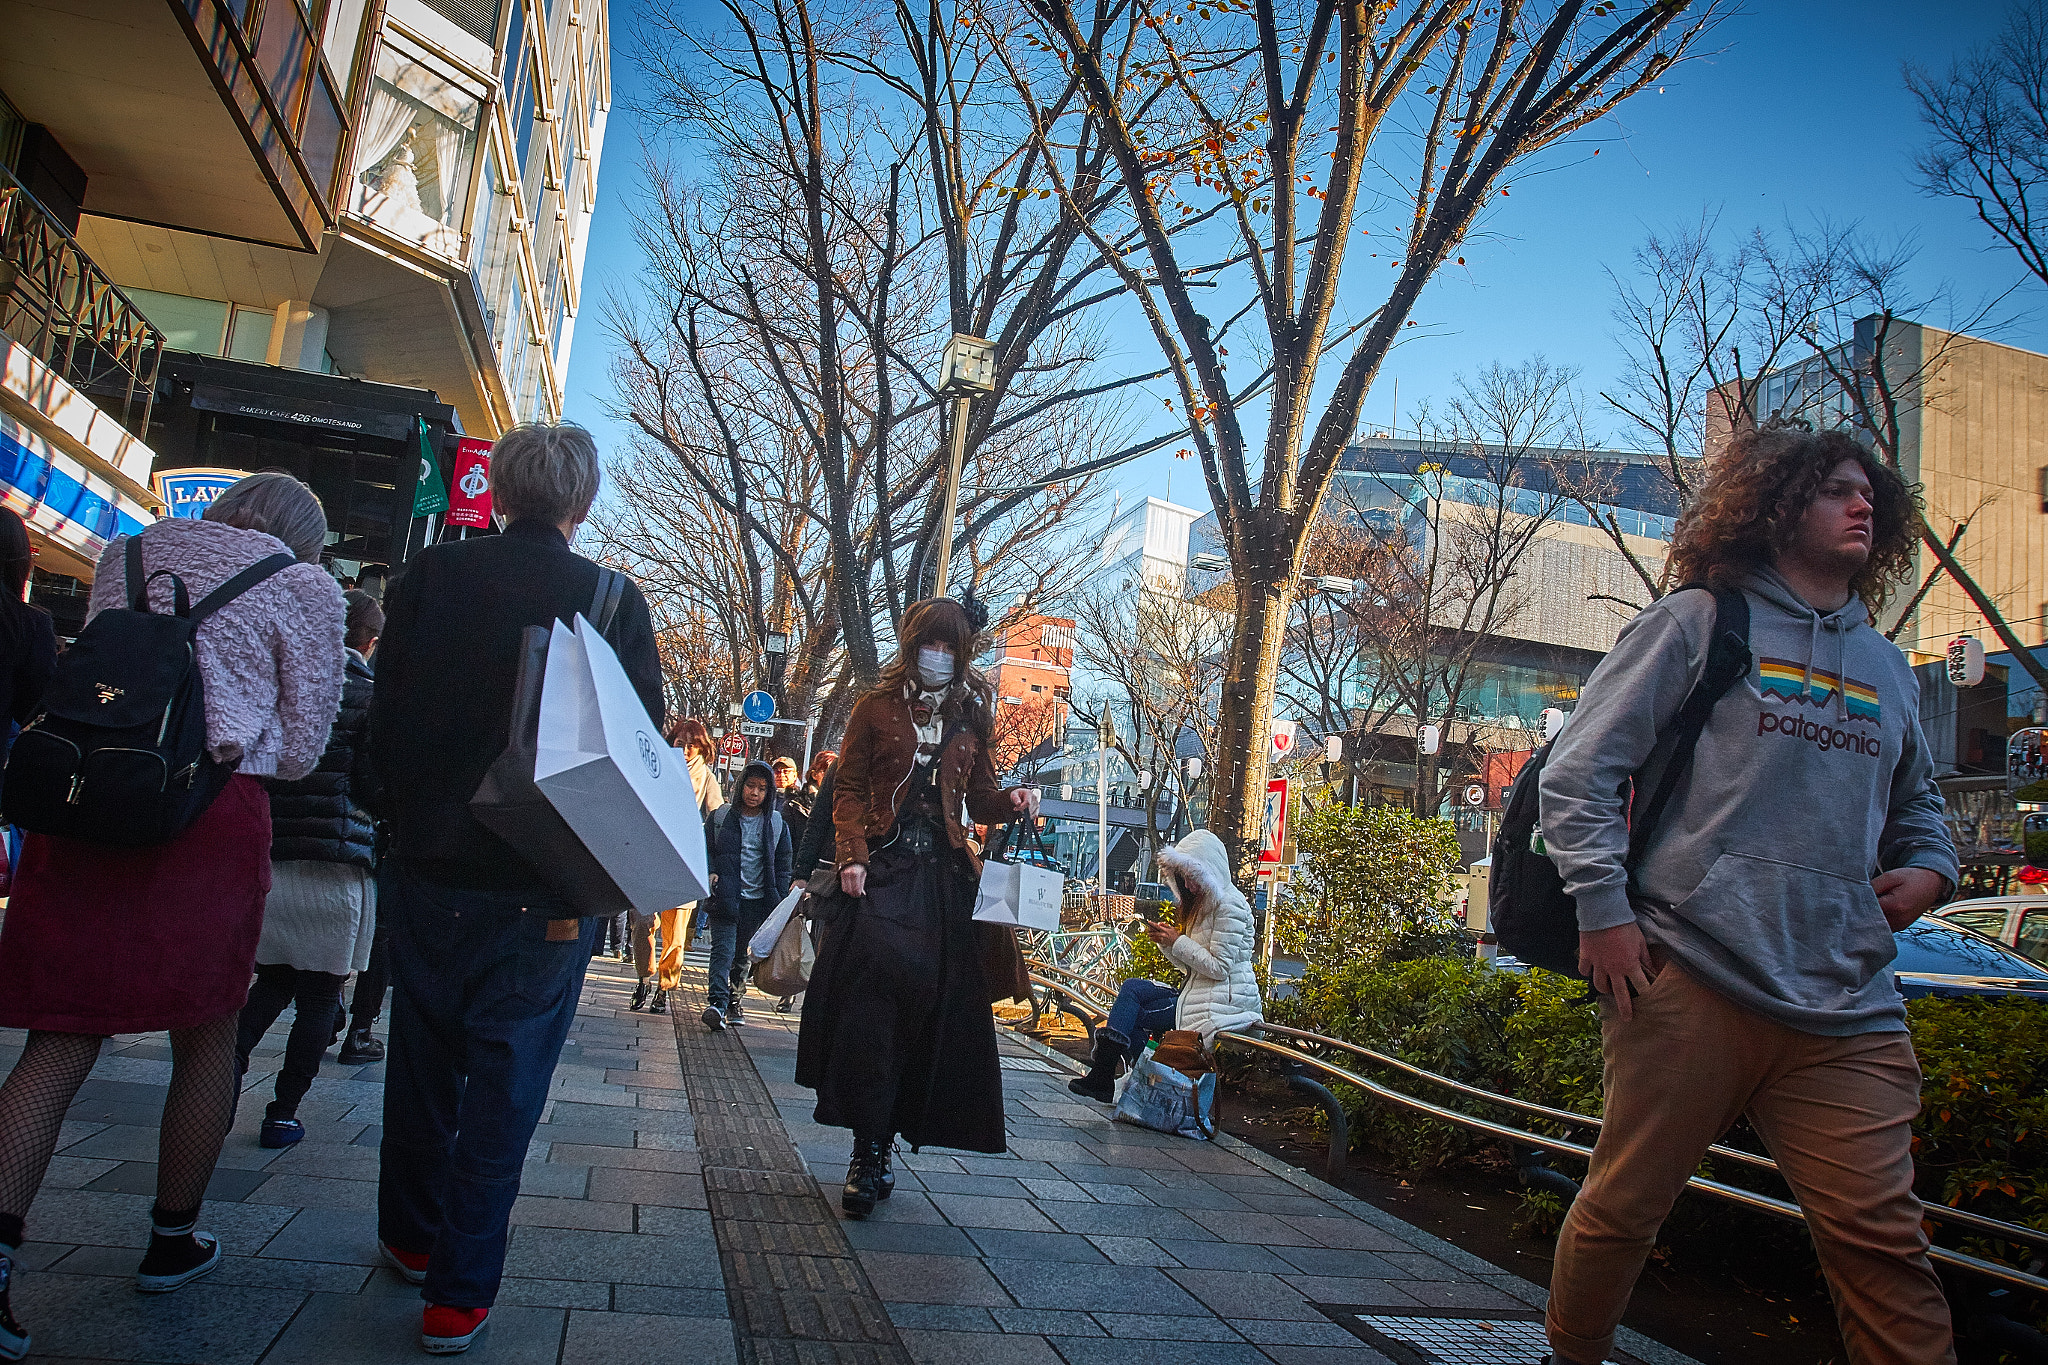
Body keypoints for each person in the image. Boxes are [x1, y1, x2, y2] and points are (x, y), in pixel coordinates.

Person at [1537, 428, 1958, 1365]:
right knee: (1625, 1208)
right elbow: (1579, 773)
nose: (1863, 507)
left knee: (1886, 1240)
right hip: (1691, 972)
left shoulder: (1888, 669)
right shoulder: (1700, 620)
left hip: (1846, 1004)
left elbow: (1921, 806)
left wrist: (1932, 872)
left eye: (1871, 497)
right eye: (1836, 491)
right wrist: (1603, 912)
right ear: (1775, 507)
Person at [0, 474, 343, 1355]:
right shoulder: (302, 586)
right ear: (304, 535)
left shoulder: (128, 552)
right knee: (209, 1031)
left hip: (90, 801)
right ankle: (172, 1236)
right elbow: (301, 748)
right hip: (206, 817)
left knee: (60, 1034)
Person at [370, 422, 664, 1356]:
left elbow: (382, 725)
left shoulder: (428, 580)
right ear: (582, 503)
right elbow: (641, 745)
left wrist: (396, 812)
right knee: (505, 1083)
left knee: (420, 1060)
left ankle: (409, 1236)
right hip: (547, 883)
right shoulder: (611, 600)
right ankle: (458, 1295)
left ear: (495, 490)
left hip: (428, 866)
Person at [795, 598, 1038, 1218]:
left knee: (936, 1013)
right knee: (871, 1006)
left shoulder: (971, 713)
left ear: (962, 654)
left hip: (946, 881)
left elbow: (977, 798)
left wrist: (1010, 800)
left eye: (951, 647)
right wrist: (851, 855)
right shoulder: (872, 708)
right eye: (932, 643)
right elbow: (846, 788)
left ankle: (886, 1140)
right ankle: (867, 1147)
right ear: (913, 644)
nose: (940, 655)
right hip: (882, 873)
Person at [235, 590, 384, 1145]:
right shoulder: (373, 696)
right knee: (323, 993)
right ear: (370, 641)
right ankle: (283, 1113)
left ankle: (219, 1084)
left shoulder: (285, 687)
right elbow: (379, 782)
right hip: (340, 863)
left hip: (275, 854)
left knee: (269, 979)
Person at [1067, 828, 1262, 1102]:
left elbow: (1218, 968)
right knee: (1132, 991)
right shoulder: (1203, 904)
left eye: (1195, 879)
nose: (1190, 887)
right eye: (1184, 879)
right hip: (1196, 993)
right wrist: (1166, 942)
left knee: (1132, 1013)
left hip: (1223, 1004)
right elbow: (1190, 968)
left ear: (1211, 872)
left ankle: (1121, 1075)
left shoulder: (1230, 906)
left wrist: (1178, 940)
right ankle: (1116, 1074)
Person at [630, 717, 720, 1013]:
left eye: (692, 745)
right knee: (642, 922)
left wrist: (712, 859)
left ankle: (665, 988)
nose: (685, 750)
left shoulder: (706, 777)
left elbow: (717, 818)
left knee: (676, 932)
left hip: (685, 860)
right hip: (649, 857)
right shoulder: (654, 766)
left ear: (702, 749)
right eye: (681, 743)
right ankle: (644, 976)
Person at [337, 597, 392, 1067]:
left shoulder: (297, 681)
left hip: (282, 840)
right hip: (355, 841)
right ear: (371, 643)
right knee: (377, 939)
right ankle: (359, 1027)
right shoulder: (372, 694)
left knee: (280, 974)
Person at [701, 760, 793, 1030]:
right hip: (725, 896)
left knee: (742, 955)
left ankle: (734, 1000)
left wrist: (778, 895)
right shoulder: (720, 818)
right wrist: (711, 871)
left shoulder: (776, 823)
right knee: (722, 951)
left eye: (762, 789)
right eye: (750, 786)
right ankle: (716, 1003)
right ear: (741, 786)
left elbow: (783, 862)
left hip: (757, 901)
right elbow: (705, 850)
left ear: (769, 793)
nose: (754, 793)